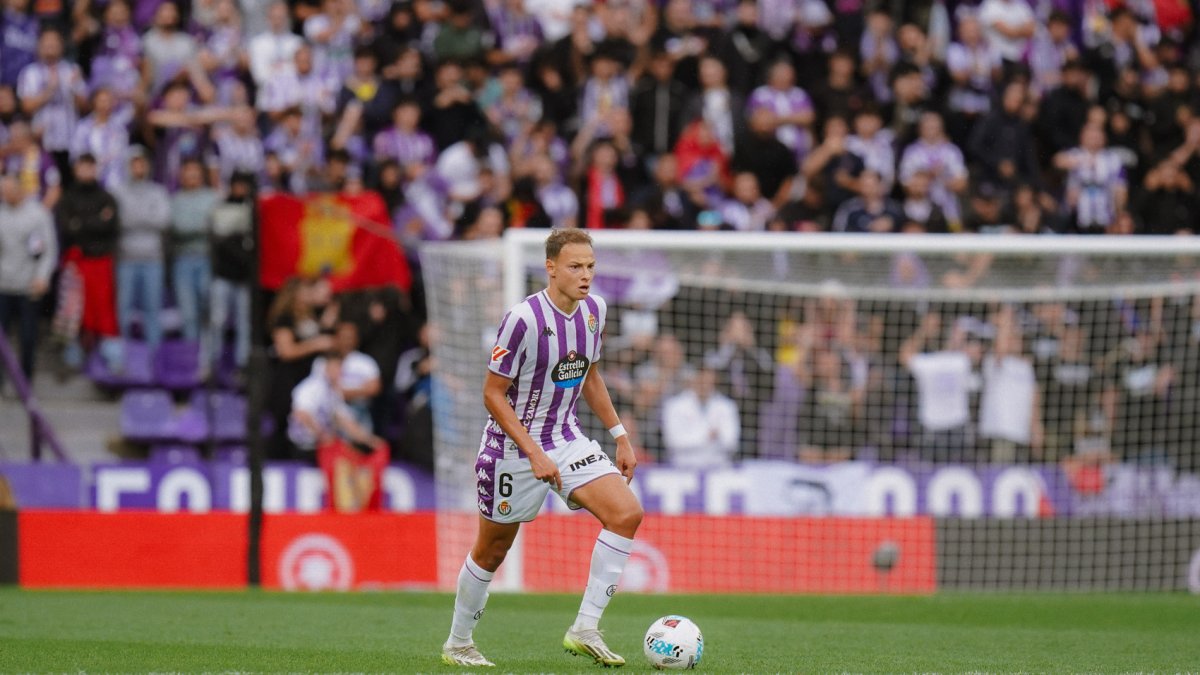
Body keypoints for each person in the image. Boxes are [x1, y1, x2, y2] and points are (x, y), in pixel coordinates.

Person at [442, 229, 641, 668]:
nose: (585, 276)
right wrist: (532, 451)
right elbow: (492, 394)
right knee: (492, 550)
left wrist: (619, 434)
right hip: (512, 448)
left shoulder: (596, 311)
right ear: (551, 267)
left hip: (567, 438)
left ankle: (585, 627)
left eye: (590, 266)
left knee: (626, 513)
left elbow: (589, 375)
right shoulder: (523, 319)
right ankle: (459, 642)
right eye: (575, 266)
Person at [0, 172, 56, 385]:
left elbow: (48, 250)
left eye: (8, 192)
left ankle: (25, 382)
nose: (4, 196)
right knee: (2, 338)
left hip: (28, 284)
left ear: (20, 190)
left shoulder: (38, 214)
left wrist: (42, 277)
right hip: (3, 283)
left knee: (28, 335)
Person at [661, 367, 740, 468]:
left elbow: (731, 443)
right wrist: (707, 436)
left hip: (718, 468)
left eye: (709, 381)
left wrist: (692, 437)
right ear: (694, 380)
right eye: (701, 381)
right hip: (684, 468)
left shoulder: (727, 406)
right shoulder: (674, 405)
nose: (705, 385)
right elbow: (673, 442)